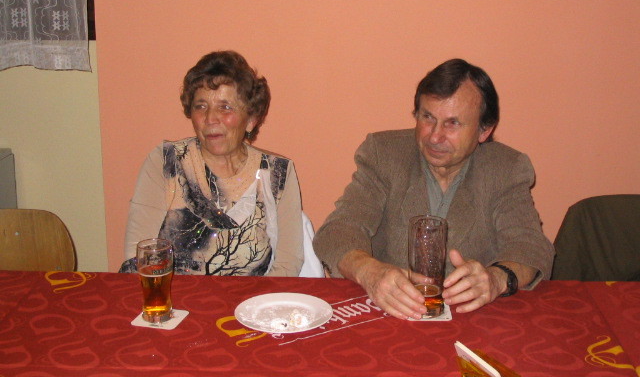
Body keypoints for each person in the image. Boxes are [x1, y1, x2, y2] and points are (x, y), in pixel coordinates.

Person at [313, 58, 554, 319]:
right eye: (428, 117)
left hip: (475, 318)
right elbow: (337, 231)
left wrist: (496, 279)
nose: (434, 137)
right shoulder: (384, 154)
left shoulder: (505, 168)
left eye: (453, 123)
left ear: (484, 130)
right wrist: (370, 273)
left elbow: (531, 247)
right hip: (391, 313)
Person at [120, 50, 322, 277]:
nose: (210, 118)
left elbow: (287, 265)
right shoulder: (166, 162)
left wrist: (260, 300)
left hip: (255, 298)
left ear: (251, 119)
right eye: (201, 106)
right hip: (174, 297)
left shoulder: (278, 173)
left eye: (225, 107)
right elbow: (138, 257)